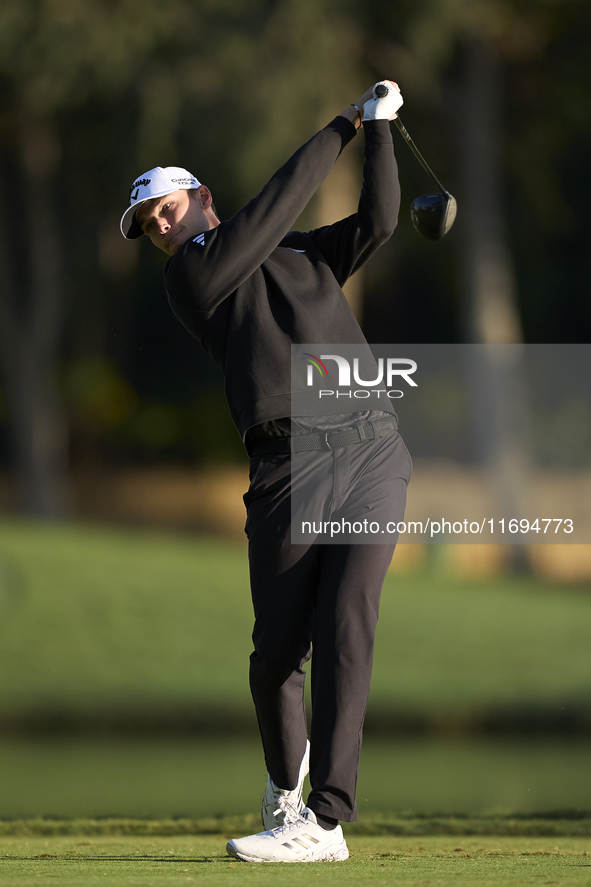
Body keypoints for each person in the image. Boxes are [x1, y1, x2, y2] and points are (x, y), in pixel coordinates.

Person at [120, 80, 412, 863]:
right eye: (149, 224)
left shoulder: (298, 252)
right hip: (286, 465)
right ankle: (287, 789)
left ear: (198, 197)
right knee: (277, 652)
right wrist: (341, 126)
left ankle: (324, 820)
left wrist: (379, 130)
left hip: (370, 450)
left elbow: (380, 223)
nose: (158, 224)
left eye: (165, 209)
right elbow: (270, 211)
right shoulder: (192, 278)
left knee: (346, 623)